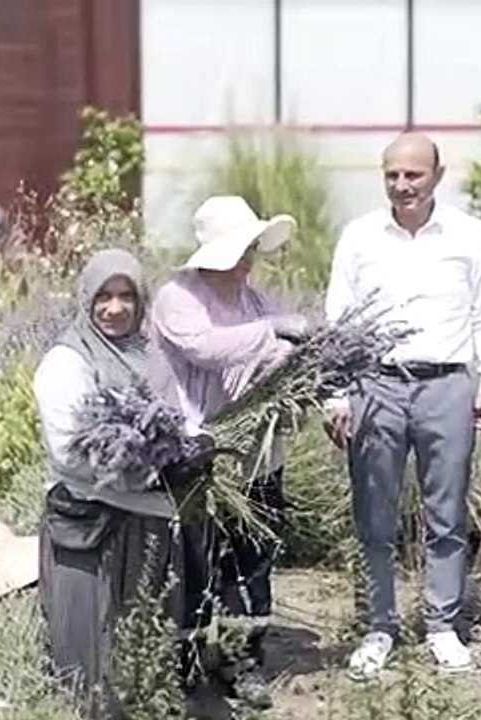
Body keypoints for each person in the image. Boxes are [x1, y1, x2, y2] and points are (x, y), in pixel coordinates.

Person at [322, 132, 481, 678]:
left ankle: (442, 626)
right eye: (392, 176)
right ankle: (379, 626)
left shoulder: (470, 236)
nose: (402, 186)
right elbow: (339, 321)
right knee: (374, 515)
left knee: (446, 515)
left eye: (413, 175)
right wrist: (336, 394)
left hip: (447, 385)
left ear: (437, 176)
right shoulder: (359, 237)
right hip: (375, 386)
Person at [148, 195, 309, 710]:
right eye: (238, 249)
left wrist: (290, 357)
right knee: (195, 560)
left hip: (257, 452)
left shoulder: (253, 299)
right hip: (199, 451)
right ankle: (189, 668)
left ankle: (242, 661)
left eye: (250, 249)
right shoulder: (177, 298)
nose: (246, 260)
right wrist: (275, 336)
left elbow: (286, 349)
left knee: (252, 559)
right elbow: (206, 348)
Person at [32, 248, 189, 718]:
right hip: (88, 526)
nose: (115, 308)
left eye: (126, 297)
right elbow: (71, 453)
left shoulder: (151, 356)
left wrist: (186, 448)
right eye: (104, 296)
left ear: (141, 302)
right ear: (87, 299)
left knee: (141, 648)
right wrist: (152, 465)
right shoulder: (65, 362)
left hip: (148, 523)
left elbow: (180, 418)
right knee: (90, 660)